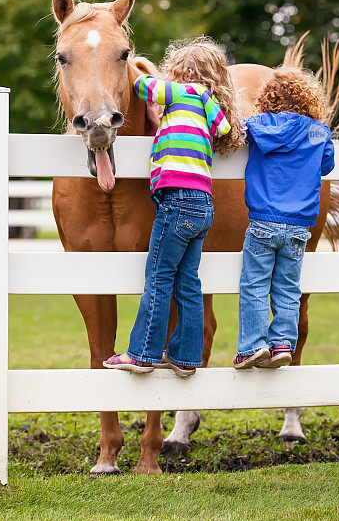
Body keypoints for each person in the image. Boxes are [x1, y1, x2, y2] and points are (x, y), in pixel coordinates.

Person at [103, 38, 244, 376]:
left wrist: (127, 64)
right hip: (203, 205)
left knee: (158, 276)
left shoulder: (180, 93)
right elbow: (224, 129)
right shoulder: (209, 102)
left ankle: (141, 354)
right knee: (189, 283)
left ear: (180, 73)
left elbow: (142, 86)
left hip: (176, 201)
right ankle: (184, 357)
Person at [234, 66, 334, 369]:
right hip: (298, 228)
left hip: (263, 222)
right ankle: (281, 345)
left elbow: (235, 134)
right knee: (288, 289)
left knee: (254, 286)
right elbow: (326, 165)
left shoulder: (257, 126)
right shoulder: (318, 131)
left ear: (267, 98)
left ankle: (252, 346)